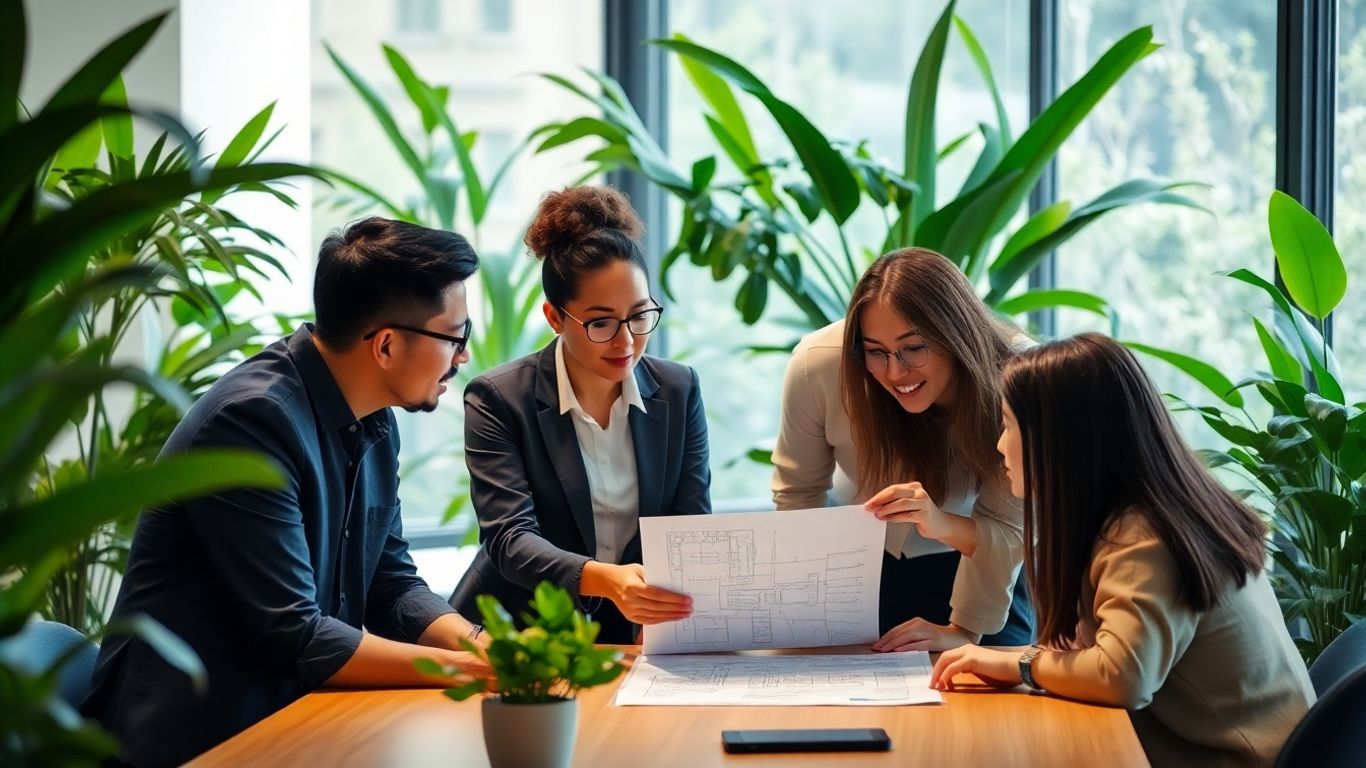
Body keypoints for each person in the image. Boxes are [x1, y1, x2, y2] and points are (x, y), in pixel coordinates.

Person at [83, 218, 494, 767]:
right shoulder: (250, 424)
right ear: (387, 346)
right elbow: (297, 632)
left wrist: (478, 645)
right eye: (456, 336)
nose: (463, 357)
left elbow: (390, 583)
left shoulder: (372, 420)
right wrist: (464, 671)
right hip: (196, 739)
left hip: (291, 716)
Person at [932, 333, 1315, 767]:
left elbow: (1123, 677)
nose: (1000, 445)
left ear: (1060, 439)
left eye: (1007, 424)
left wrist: (1023, 664)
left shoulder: (1144, 535)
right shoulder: (1155, 510)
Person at [449, 185, 710, 644]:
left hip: (633, 637)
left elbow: (688, 527)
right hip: (516, 636)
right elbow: (510, 541)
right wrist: (607, 579)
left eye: (639, 315)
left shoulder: (678, 390)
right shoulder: (499, 399)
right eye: (601, 323)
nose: (626, 341)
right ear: (555, 318)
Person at [772, 248, 1033, 651]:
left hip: (985, 564)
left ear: (955, 335)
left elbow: (1010, 526)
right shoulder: (819, 364)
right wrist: (810, 606)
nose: (894, 372)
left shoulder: (1019, 373)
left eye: (913, 348)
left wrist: (961, 632)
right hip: (855, 569)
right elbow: (797, 494)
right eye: (875, 352)